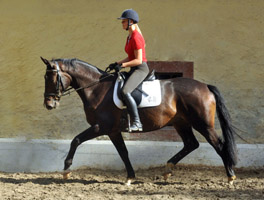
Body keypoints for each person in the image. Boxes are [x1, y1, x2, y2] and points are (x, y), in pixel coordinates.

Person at [108, 9, 149, 132]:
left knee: (126, 91)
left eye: (124, 21)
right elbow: (131, 56)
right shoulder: (129, 37)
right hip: (134, 67)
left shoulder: (136, 37)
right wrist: (117, 63)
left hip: (141, 69)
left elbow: (138, 60)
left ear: (131, 22)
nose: (122, 24)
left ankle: (137, 122)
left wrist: (123, 65)